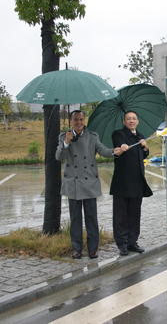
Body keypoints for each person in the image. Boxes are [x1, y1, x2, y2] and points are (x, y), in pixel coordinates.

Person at [56, 110, 123, 260]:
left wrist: (114, 151)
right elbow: (58, 157)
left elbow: (102, 150)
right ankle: (77, 248)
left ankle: (93, 249)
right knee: (75, 219)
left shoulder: (93, 136)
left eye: (81, 119)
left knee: (91, 218)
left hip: (89, 182)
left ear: (84, 121)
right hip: (73, 183)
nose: (78, 122)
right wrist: (66, 143)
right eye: (75, 120)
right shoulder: (63, 137)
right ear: (71, 121)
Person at [110, 111, 153, 256]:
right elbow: (118, 143)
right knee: (120, 215)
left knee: (135, 214)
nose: (131, 121)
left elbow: (144, 154)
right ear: (124, 121)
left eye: (134, 118)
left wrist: (145, 147)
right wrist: (122, 147)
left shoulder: (140, 136)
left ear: (138, 121)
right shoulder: (118, 133)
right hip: (122, 182)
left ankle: (132, 242)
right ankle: (121, 243)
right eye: (128, 119)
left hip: (137, 182)